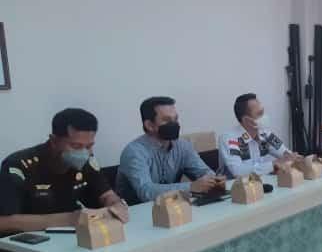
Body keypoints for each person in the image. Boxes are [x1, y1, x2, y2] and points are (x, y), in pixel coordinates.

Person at [0, 108, 129, 235]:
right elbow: (4, 222)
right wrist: (69, 219)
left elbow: (107, 195)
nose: (84, 153)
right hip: (28, 242)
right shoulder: (18, 165)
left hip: (71, 238)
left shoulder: (86, 162)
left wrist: (115, 205)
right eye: (76, 146)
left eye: (89, 146)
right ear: (54, 141)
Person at [116, 96, 225, 204]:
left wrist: (214, 180)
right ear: (149, 125)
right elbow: (146, 192)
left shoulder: (182, 145)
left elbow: (202, 171)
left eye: (175, 119)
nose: (174, 124)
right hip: (136, 210)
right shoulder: (134, 152)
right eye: (167, 120)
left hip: (173, 206)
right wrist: (191, 187)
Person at [218, 93, 300, 178]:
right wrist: (273, 164)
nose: (264, 117)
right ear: (246, 120)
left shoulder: (265, 134)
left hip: (261, 183)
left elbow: (286, 155)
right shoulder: (230, 139)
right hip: (235, 185)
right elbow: (238, 172)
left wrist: (294, 158)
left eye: (263, 112)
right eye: (260, 114)